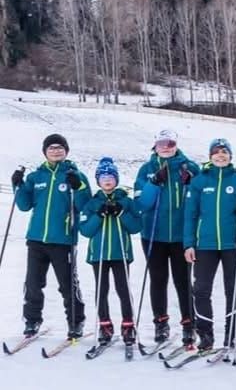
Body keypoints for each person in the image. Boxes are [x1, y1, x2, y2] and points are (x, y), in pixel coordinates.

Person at [183, 138, 236, 352]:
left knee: (233, 288)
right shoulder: (199, 182)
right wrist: (189, 243)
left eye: (224, 152)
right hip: (204, 244)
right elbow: (190, 215)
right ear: (210, 156)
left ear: (230, 155)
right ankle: (205, 334)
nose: (220, 155)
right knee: (201, 289)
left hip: (232, 244)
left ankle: (231, 332)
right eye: (216, 152)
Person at [13, 133, 89, 339]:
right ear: (45, 152)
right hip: (36, 239)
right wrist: (17, 185)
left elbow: (84, 205)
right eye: (51, 148)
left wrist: (78, 187)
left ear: (66, 150)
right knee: (33, 284)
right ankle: (32, 320)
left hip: (62, 240)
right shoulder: (36, 177)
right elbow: (23, 205)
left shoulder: (75, 175)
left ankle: (76, 322)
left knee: (67, 285)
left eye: (60, 147)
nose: (56, 150)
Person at [133, 129, 201, 346]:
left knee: (182, 281)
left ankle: (189, 324)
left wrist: (190, 183)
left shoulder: (189, 167)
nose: (166, 147)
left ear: (176, 144)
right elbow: (141, 204)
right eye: (162, 143)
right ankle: (160, 323)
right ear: (155, 145)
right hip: (154, 234)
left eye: (170, 142)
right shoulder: (147, 169)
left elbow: (199, 201)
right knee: (158, 279)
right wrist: (153, 183)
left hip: (182, 235)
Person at [80, 157, 142, 347]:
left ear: (116, 179)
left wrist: (121, 212)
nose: (107, 180)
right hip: (98, 254)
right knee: (101, 290)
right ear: (98, 180)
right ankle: (105, 324)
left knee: (123, 289)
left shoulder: (126, 201)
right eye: (103, 177)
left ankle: (128, 324)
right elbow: (85, 230)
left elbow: (136, 227)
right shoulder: (92, 203)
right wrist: (99, 215)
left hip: (120, 253)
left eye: (111, 177)